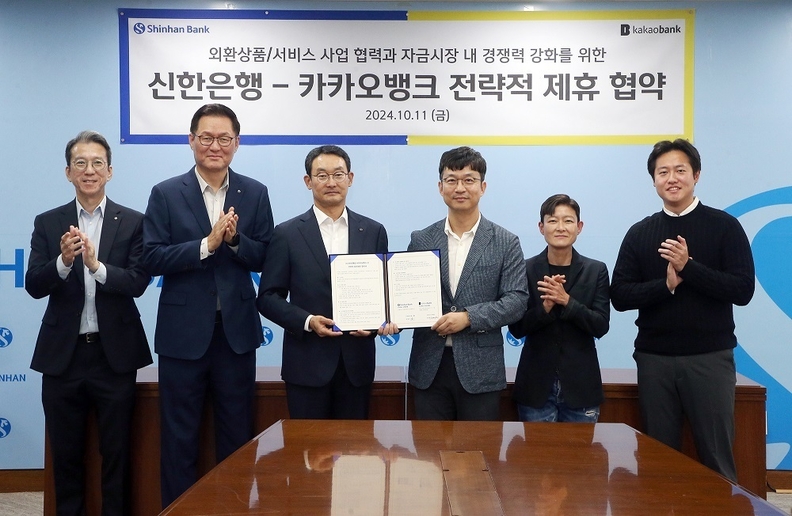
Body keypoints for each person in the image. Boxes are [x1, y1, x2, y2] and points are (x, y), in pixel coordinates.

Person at [142, 103, 274, 507]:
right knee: (179, 438)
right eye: (206, 137)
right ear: (191, 140)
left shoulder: (254, 192)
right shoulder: (166, 193)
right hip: (182, 336)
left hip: (235, 335)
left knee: (237, 437)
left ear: (237, 142)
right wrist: (206, 245)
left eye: (223, 138)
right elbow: (151, 258)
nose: (215, 146)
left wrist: (234, 241)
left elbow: (266, 256)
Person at [610, 139, 755, 481]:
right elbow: (620, 296)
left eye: (680, 170)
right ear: (654, 180)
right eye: (663, 172)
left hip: (709, 359)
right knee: (657, 461)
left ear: (696, 175)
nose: (672, 178)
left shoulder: (724, 226)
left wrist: (689, 267)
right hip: (654, 360)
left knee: (716, 457)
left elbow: (742, 290)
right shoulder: (640, 232)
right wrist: (665, 286)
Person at [25, 130, 152, 515]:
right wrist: (63, 261)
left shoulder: (133, 222)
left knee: (117, 455)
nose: (89, 170)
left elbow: (138, 282)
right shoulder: (49, 223)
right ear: (68, 172)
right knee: (66, 457)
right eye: (80, 163)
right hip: (63, 358)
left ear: (110, 171)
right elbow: (33, 285)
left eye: (97, 163)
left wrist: (96, 266)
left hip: (114, 358)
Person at [257, 145, 393, 419]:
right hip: (306, 364)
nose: (331, 182)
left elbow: (385, 294)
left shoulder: (373, 231)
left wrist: (376, 323)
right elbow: (268, 298)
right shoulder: (287, 234)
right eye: (322, 175)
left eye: (338, 174)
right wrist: (307, 321)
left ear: (350, 178)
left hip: (356, 366)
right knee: (306, 446)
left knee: (355, 445)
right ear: (308, 181)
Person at [407, 146, 528, 421]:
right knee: (427, 448)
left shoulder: (505, 241)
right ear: (440, 187)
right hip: (429, 367)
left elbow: (516, 300)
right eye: (451, 180)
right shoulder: (421, 239)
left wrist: (468, 317)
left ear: (483, 187)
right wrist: (391, 317)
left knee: (479, 447)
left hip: (480, 370)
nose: (460, 187)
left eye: (469, 180)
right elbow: (408, 294)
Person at [508, 194, 610, 423]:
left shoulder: (596, 270)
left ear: (579, 227)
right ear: (541, 227)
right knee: (537, 448)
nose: (560, 227)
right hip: (535, 387)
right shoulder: (525, 269)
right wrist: (545, 307)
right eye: (553, 221)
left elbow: (601, 325)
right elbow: (516, 328)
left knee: (581, 448)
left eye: (568, 221)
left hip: (581, 387)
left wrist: (567, 301)